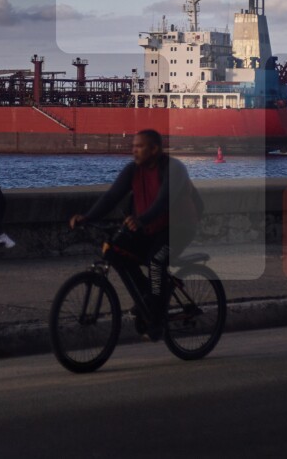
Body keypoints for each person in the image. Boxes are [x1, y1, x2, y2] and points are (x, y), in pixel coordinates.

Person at [69, 129, 203, 339]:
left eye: (139, 147)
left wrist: (141, 220)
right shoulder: (133, 170)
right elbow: (111, 197)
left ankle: (156, 318)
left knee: (156, 261)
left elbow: (163, 201)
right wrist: (87, 217)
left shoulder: (174, 168)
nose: (134, 151)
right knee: (116, 251)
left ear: (154, 149)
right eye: (133, 146)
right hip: (150, 227)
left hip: (180, 228)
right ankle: (147, 296)